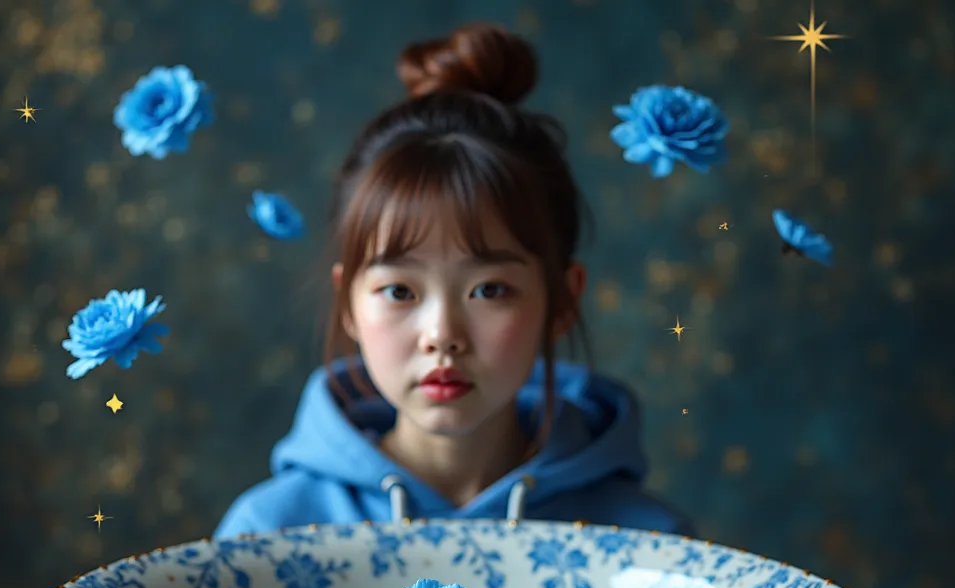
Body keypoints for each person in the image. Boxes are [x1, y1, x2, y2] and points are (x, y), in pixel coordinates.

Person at [214, 22, 694, 539]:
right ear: (348, 303)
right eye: (399, 291)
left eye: (490, 289)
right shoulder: (266, 538)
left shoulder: (648, 548)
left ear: (562, 301)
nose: (442, 334)